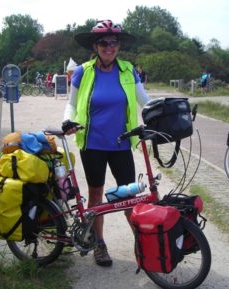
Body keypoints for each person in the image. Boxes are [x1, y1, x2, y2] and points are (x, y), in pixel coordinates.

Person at [63, 20, 150, 267]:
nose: (109, 47)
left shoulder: (128, 70)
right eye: (104, 43)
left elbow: (144, 100)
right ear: (95, 45)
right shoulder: (83, 71)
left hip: (122, 143)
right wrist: (67, 120)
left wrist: (161, 114)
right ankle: (99, 244)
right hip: (92, 144)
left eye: (113, 43)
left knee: (130, 195)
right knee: (96, 196)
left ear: (118, 46)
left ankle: (143, 242)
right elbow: (71, 103)